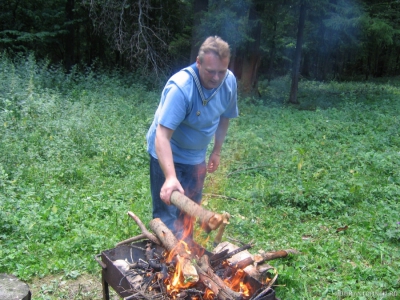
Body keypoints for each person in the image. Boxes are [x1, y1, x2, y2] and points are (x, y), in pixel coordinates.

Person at [146, 36, 238, 240]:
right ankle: (168, 261)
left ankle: (185, 259)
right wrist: (170, 177)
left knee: (189, 212)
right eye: (210, 71)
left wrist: (216, 151)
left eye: (221, 71)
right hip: (168, 152)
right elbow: (162, 135)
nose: (216, 78)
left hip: (196, 157)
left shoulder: (229, 82)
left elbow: (225, 117)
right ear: (198, 62)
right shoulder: (182, 88)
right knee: (167, 216)